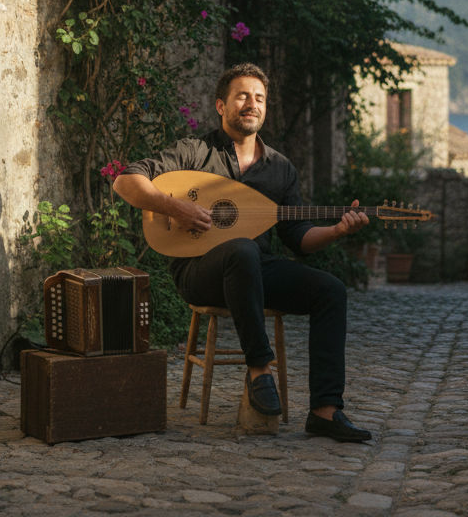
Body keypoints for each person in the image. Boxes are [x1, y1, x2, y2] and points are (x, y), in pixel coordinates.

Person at [113, 63, 373, 442]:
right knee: (242, 250)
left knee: (329, 290)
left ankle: (325, 411)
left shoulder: (280, 168)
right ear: (221, 105)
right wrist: (175, 207)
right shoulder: (195, 152)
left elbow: (298, 238)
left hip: (256, 270)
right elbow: (125, 181)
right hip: (199, 272)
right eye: (243, 96)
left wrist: (337, 230)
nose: (252, 104)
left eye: (260, 98)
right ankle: (259, 370)